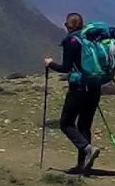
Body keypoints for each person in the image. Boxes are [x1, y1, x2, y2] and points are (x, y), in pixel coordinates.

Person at [44, 13, 102, 173]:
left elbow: (66, 68)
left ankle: (87, 149)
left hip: (78, 88)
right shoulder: (91, 39)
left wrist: (50, 64)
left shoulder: (72, 41)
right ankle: (83, 165)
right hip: (94, 88)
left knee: (66, 123)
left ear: (68, 26)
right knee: (84, 126)